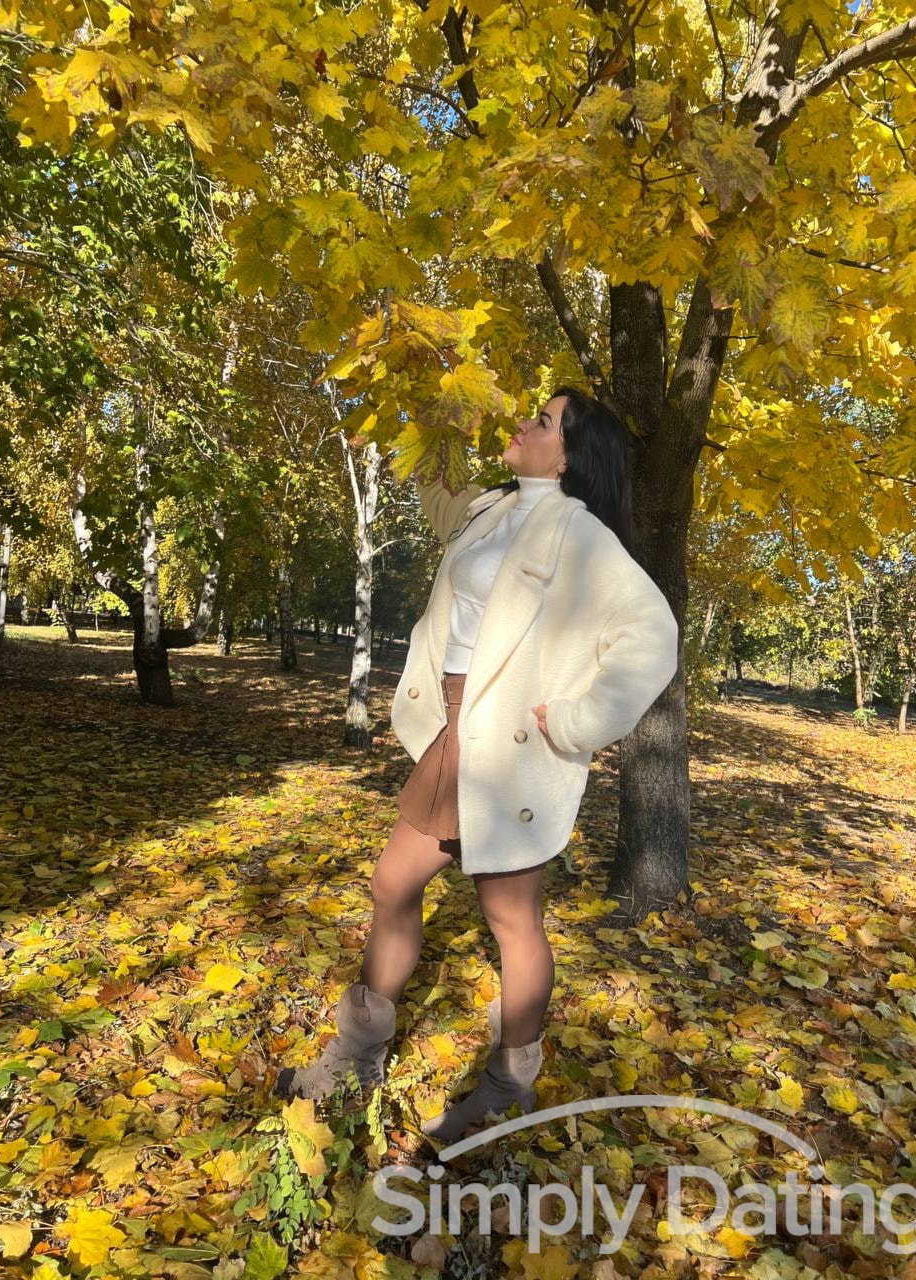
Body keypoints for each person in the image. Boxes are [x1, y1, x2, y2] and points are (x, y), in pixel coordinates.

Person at [273, 386, 679, 1142]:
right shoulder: (493, 508)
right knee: (392, 883)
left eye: (543, 420)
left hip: (515, 748)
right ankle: (355, 1061)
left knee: (511, 920)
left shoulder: (581, 535)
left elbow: (653, 634)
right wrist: (435, 417)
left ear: (570, 455)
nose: (524, 423)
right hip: (454, 728)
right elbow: (438, 497)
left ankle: (507, 1087)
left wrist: (579, 721)